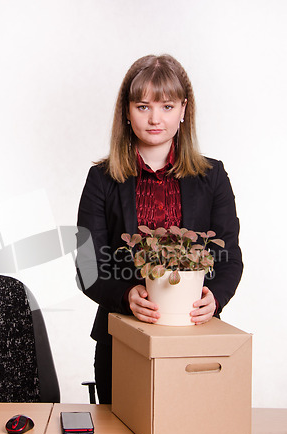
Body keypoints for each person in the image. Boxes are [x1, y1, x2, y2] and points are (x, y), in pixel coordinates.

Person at [76, 54, 243, 404]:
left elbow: (229, 258)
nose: (155, 118)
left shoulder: (212, 177)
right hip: (120, 341)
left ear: (184, 109)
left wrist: (216, 298)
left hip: (193, 343)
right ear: (127, 111)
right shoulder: (102, 179)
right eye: (143, 106)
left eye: (167, 106)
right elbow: (87, 267)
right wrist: (126, 296)